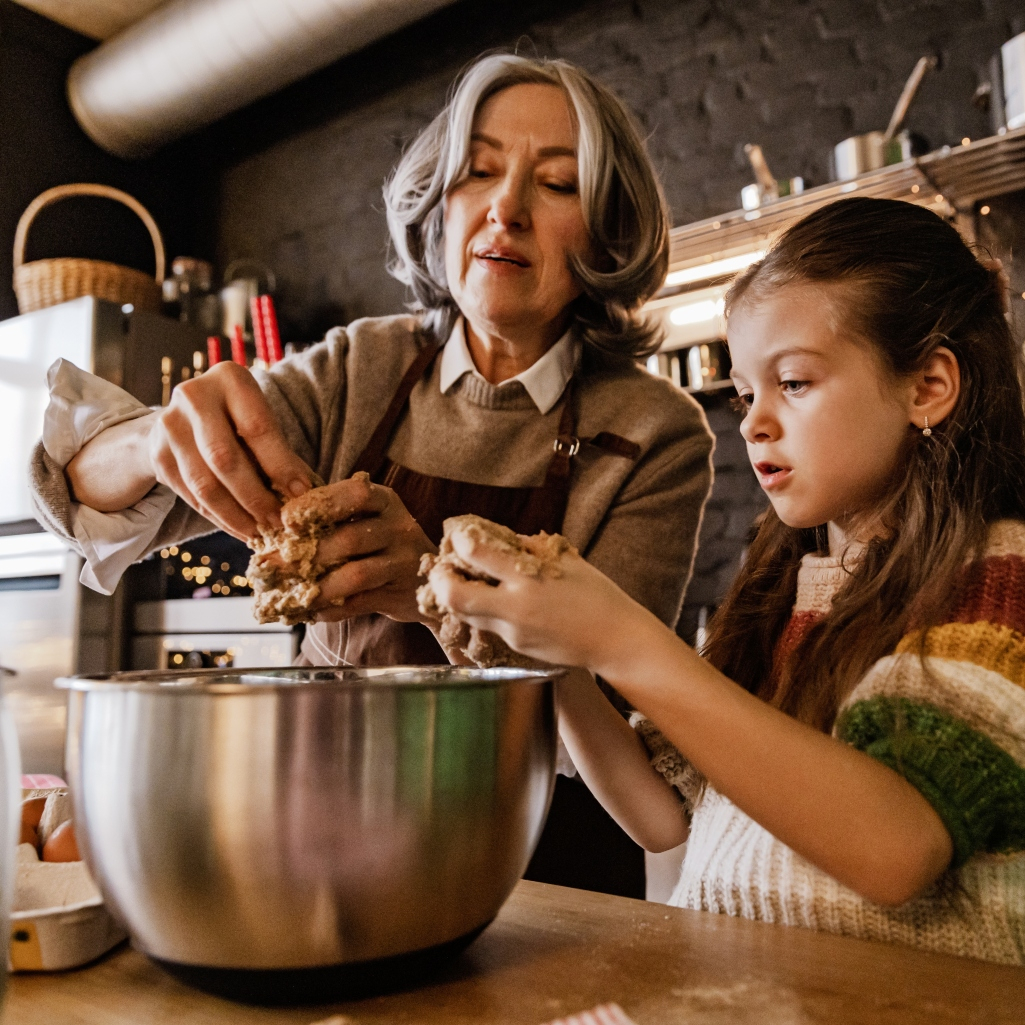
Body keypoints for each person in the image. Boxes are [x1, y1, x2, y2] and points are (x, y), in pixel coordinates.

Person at [29, 53, 714, 898]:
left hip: (543, 865)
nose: (506, 208)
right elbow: (78, 498)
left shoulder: (654, 432)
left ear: (606, 230)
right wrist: (149, 441)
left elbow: (606, 728)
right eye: (479, 171)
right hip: (331, 828)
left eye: (559, 184)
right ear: (440, 201)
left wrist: (427, 583)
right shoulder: (361, 367)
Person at [426, 196, 1025, 964]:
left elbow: (896, 849)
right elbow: (659, 815)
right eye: (746, 394)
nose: (751, 423)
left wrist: (623, 637)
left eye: (795, 383)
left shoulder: (994, 580)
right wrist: (558, 661)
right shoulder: (786, 587)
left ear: (928, 386)